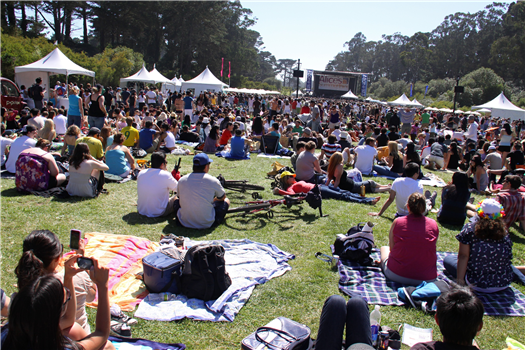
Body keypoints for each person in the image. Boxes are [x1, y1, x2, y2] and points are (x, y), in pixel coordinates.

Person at [2, 261, 112, 349]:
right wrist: (103, 286)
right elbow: (101, 334)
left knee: (75, 331)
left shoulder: (8, 333)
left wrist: (68, 277)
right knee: (107, 346)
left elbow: (69, 320)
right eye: (66, 298)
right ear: (56, 316)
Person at [444, 199, 525, 292]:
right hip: (503, 283)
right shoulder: (504, 233)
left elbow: (463, 256)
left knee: (448, 259)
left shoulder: (470, 229)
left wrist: (460, 281)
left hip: (477, 283)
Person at [379, 192, 439, 285]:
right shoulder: (433, 224)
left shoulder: (398, 222)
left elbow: (392, 248)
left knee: (384, 248)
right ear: (424, 208)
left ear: (408, 206)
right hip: (427, 278)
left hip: (397, 274)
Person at [175, 153, 230, 229]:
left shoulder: (182, 180)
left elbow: (178, 197)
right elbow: (223, 197)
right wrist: (215, 200)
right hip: (206, 223)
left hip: (183, 222)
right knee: (226, 201)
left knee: (175, 200)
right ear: (206, 166)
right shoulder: (213, 180)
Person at [274, 171, 380, 205]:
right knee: (342, 195)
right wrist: (280, 191)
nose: (293, 177)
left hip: (320, 186)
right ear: (286, 180)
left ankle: (367, 199)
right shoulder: (290, 188)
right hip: (317, 190)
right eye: (290, 176)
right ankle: (368, 201)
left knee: (344, 192)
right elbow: (292, 195)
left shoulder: (297, 182)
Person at [326, 152, 391, 194]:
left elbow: (329, 179)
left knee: (370, 187)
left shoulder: (331, 166)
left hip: (350, 186)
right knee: (370, 184)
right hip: (351, 186)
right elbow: (337, 181)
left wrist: (325, 188)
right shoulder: (339, 166)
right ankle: (388, 188)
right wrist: (333, 191)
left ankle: (386, 187)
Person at [137, 152, 178, 217]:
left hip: (142, 210)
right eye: (166, 163)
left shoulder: (141, 173)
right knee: (177, 197)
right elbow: (179, 189)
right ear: (162, 164)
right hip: (160, 212)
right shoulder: (165, 175)